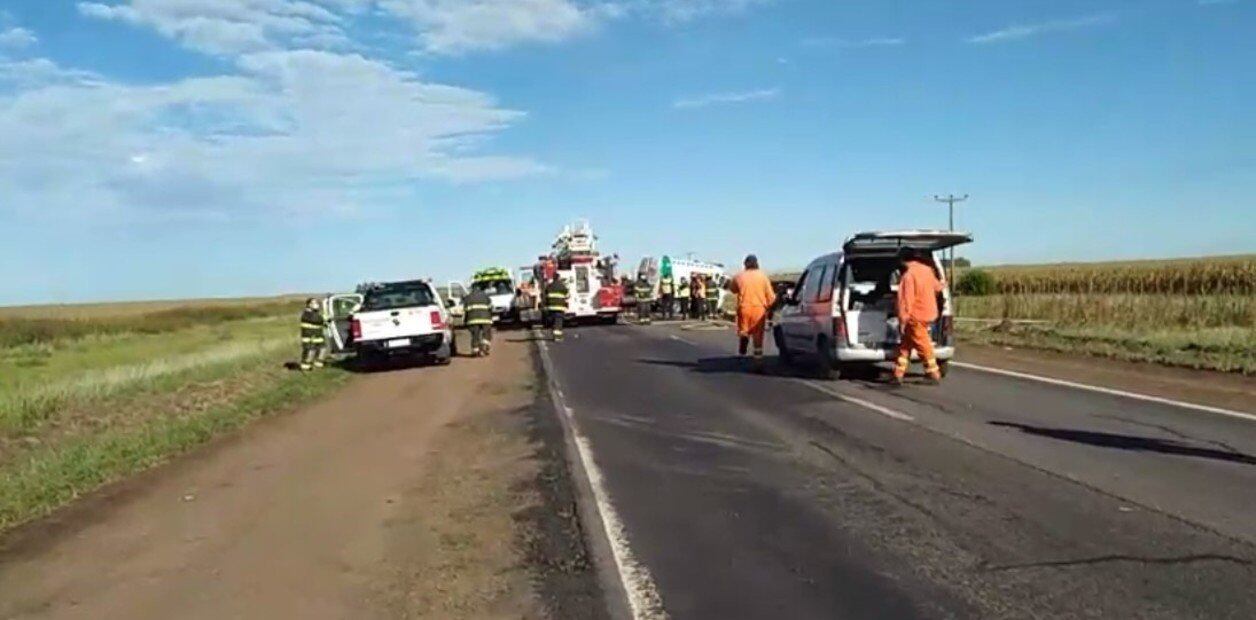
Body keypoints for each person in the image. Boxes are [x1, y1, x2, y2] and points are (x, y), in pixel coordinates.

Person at [894, 249, 946, 385]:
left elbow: (906, 300)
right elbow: (938, 287)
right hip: (929, 313)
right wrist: (943, 283)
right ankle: (898, 373)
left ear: (904, 261)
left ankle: (933, 373)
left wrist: (903, 319)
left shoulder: (908, 276)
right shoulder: (927, 270)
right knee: (906, 344)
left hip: (915, 316)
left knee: (924, 345)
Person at [730, 255, 776, 369]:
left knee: (744, 331)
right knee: (758, 336)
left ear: (745, 264)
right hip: (759, 309)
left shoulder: (739, 276)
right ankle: (758, 362)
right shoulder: (763, 277)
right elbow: (771, 298)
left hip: (744, 308)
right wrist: (770, 312)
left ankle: (742, 354)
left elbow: (733, 289)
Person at [463, 286, 493, 356]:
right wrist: (490, 316)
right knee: (486, 333)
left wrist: (465, 321)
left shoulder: (468, 297)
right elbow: (490, 308)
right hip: (486, 319)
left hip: (472, 320)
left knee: (475, 335)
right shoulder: (486, 296)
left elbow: (466, 311)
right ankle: (485, 345)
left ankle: (475, 350)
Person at [299, 298, 327, 371]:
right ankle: (305, 368)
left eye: (317, 303)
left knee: (322, 350)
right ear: (309, 305)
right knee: (310, 352)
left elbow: (320, 323)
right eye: (314, 303)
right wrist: (324, 318)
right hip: (309, 337)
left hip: (318, 336)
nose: (316, 304)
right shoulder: (306, 314)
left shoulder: (316, 313)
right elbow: (316, 320)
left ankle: (318, 366)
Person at [544, 273, 569, 340]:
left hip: (551, 308)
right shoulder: (562, 286)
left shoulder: (549, 286)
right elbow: (567, 295)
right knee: (558, 322)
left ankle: (555, 334)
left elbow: (545, 296)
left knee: (553, 321)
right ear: (558, 278)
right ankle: (557, 337)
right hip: (559, 307)